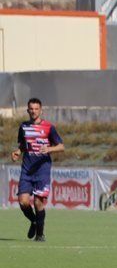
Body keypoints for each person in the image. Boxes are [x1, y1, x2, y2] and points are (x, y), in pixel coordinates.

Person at [11, 98, 64, 242]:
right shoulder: (23, 127)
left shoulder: (49, 127)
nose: (33, 111)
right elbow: (23, 145)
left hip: (42, 170)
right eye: (31, 109)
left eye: (36, 109)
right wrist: (18, 151)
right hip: (27, 170)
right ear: (28, 110)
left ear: (41, 110)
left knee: (38, 203)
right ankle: (34, 221)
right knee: (23, 202)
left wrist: (49, 148)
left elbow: (61, 146)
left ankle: (40, 234)